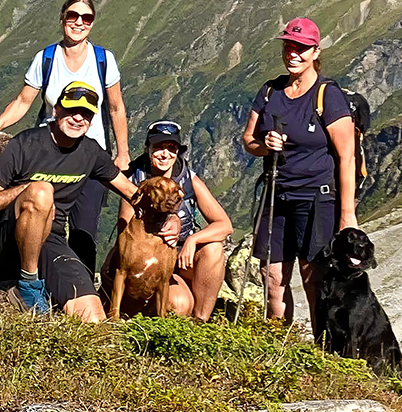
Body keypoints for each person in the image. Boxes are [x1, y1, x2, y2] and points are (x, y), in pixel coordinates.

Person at [0, 0, 129, 274]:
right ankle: (31, 276)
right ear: (62, 19)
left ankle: (80, 288)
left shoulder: (103, 60)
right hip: (47, 153)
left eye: (86, 18)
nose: (79, 23)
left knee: (85, 229)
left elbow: (116, 107)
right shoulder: (46, 58)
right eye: (72, 16)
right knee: (42, 218)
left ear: (93, 23)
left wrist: (122, 153)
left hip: (90, 157)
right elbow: (24, 101)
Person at [0, 81, 138, 322]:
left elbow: (133, 193)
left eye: (86, 114)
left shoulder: (90, 152)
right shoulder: (25, 144)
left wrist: (169, 214)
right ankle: (28, 286)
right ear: (56, 110)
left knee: (92, 314)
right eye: (71, 110)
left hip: (50, 240)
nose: (78, 118)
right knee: (41, 192)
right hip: (6, 239)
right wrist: (25, 189)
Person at [241, 17, 358, 332]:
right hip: (276, 195)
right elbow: (248, 139)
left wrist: (347, 215)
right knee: (272, 278)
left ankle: (323, 349)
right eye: (289, 46)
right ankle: (280, 344)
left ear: (316, 51)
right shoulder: (270, 91)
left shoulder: (327, 95)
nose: (293, 53)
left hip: (316, 198)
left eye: (302, 48)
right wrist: (264, 146)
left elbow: (347, 156)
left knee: (313, 277)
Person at [116, 121, 234, 321]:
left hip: (179, 258)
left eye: (171, 148)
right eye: (158, 147)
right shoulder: (134, 182)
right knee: (178, 305)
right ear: (148, 149)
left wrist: (192, 239)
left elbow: (225, 225)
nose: (165, 154)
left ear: (178, 151)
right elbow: (125, 232)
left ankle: (200, 323)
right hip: (145, 259)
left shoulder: (189, 179)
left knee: (214, 249)